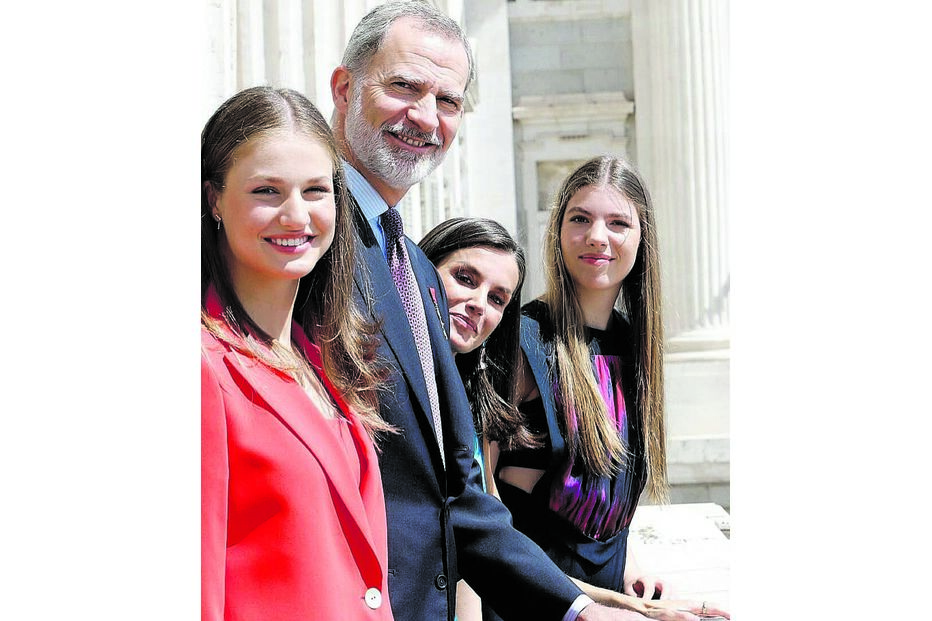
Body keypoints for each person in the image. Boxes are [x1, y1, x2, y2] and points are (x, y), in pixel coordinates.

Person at [330, 4, 706, 620]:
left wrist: (589, 608)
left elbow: (458, 496)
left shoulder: (414, 271)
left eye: (448, 100)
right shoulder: (314, 240)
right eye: (403, 85)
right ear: (344, 88)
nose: (426, 116)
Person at [422, 217, 729, 621]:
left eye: (498, 298)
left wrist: (628, 588)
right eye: (465, 277)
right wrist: (609, 607)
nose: (480, 302)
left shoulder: (631, 343)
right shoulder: (517, 350)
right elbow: (480, 534)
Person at [494, 156, 729, 619]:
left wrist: (628, 561)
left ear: (642, 240)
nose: (597, 236)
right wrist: (616, 606)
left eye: (618, 222)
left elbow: (606, 497)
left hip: (607, 596)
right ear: (558, 230)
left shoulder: (633, 344)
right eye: (580, 218)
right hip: (536, 600)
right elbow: (488, 517)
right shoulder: (519, 340)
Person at [200, 86, 394, 621]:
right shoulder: (202, 366)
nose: (296, 215)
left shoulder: (327, 358)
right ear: (214, 198)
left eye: (315, 190)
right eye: (267, 190)